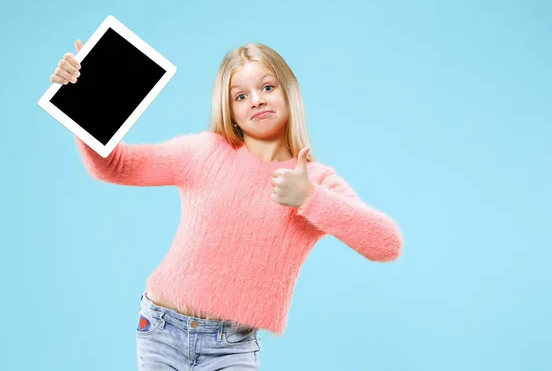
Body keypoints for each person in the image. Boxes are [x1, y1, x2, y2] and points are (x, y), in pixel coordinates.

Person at [50, 39, 404, 370]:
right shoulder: (204, 152)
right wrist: (84, 101)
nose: (257, 100)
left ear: (289, 92)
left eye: (267, 87)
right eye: (241, 96)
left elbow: (386, 244)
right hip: (160, 327)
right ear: (230, 110)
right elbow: (115, 165)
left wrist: (310, 198)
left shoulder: (313, 180)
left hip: (232, 346)